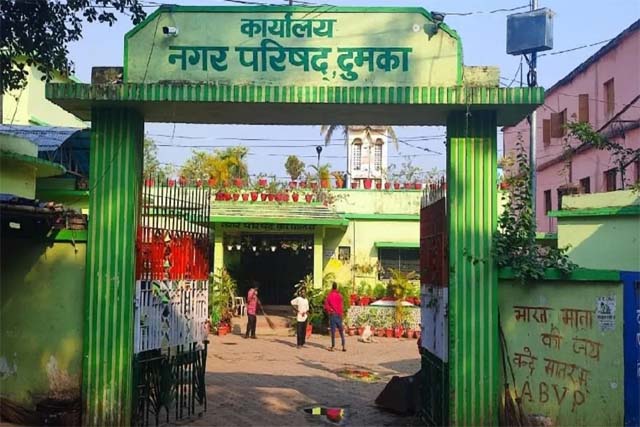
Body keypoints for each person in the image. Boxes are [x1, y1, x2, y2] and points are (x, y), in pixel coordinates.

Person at [323, 282, 346, 352]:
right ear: (336, 287)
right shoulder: (340, 296)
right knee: (341, 331)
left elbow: (326, 305)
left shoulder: (329, 296)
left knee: (333, 331)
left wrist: (330, 310)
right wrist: (341, 314)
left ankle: (333, 346)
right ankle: (343, 346)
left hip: (333, 315)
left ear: (332, 287)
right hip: (339, 315)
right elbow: (342, 306)